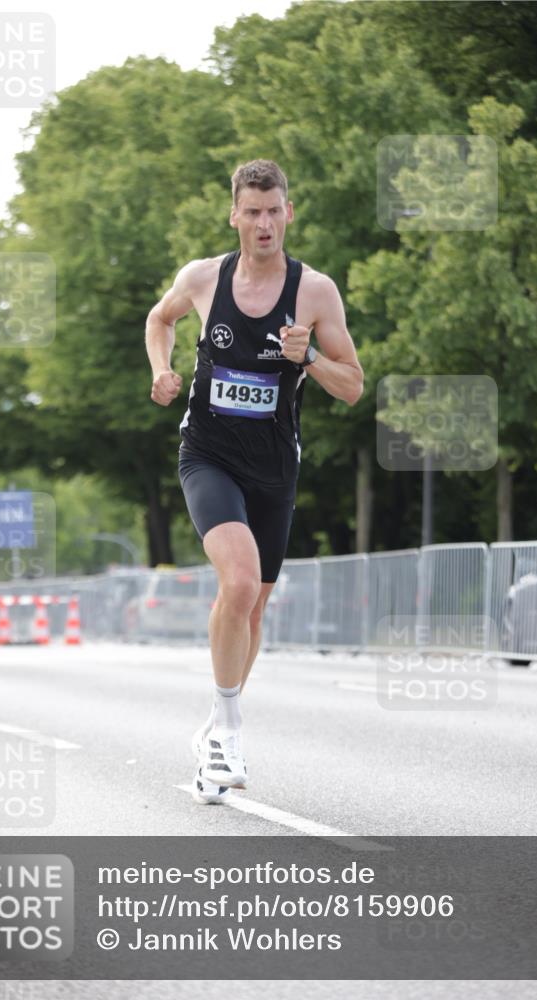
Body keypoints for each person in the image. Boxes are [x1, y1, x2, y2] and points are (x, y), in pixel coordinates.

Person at [145, 159, 363, 803]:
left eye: (275, 211)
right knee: (237, 581)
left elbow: (352, 387)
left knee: (256, 603)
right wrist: (160, 370)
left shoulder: (315, 292)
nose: (264, 223)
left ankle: (217, 719)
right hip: (207, 455)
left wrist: (312, 356)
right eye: (253, 211)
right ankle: (228, 736)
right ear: (234, 215)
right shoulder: (202, 279)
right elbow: (161, 321)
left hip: (275, 468)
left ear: (288, 213)